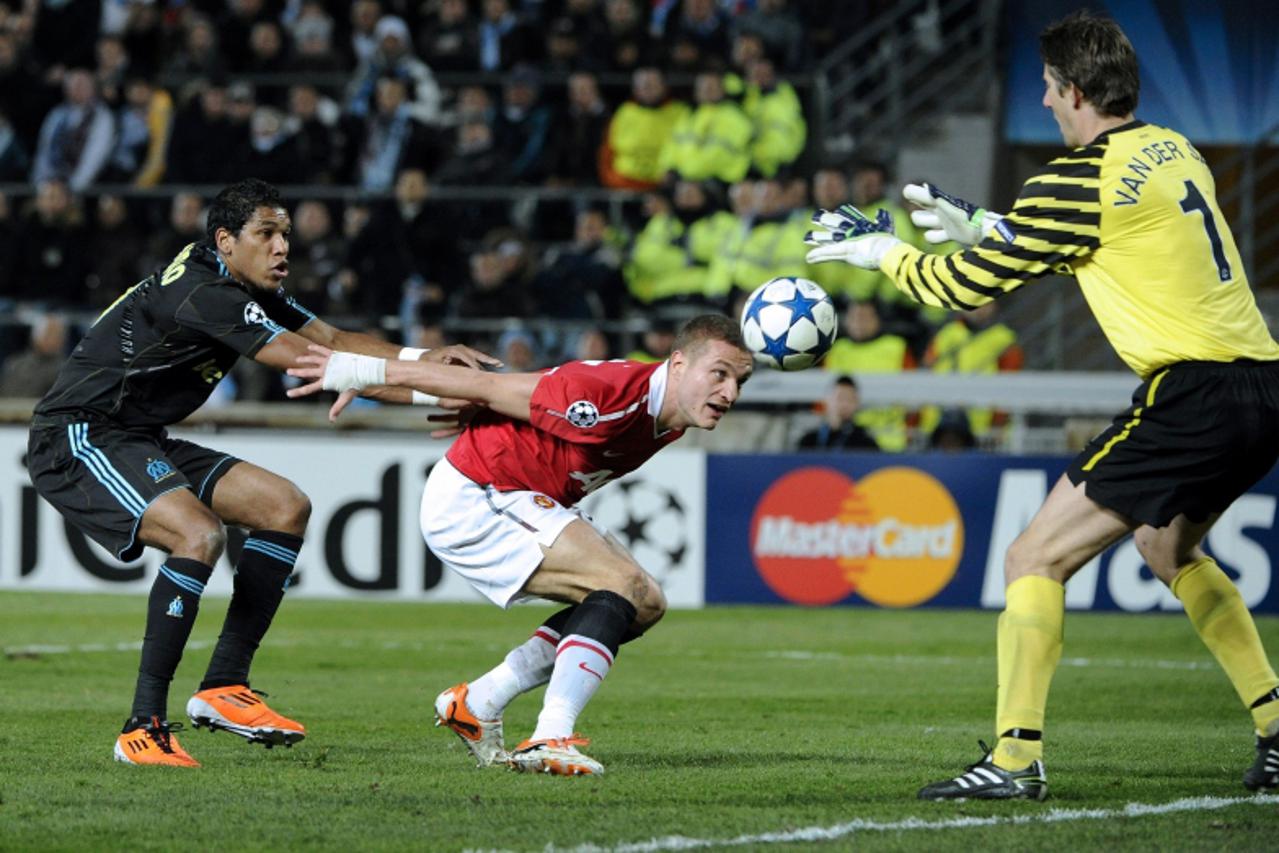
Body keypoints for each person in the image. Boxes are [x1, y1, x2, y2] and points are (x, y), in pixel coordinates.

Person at [805, 11, 1279, 800]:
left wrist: (879, 250)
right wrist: (994, 228)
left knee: (1032, 558)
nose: (1047, 101)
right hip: (1262, 384)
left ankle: (1014, 759)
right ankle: (1275, 728)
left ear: (1078, 91)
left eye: (1052, 89)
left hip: (1193, 394)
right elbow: (1121, 247)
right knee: (1166, 550)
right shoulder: (1174, 149)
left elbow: (956, 289)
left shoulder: (1076, 178)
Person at [26, 178, 496, 768]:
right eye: (267, 234)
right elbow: (314, 363)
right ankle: (141, 727)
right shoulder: (205, 295)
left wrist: (419, 359)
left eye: (286, 235)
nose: (282, 249)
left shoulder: (242, 284)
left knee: (284, 506)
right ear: (227, 240)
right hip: (78, 433)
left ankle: (224, 686)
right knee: (196, 534)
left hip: (137, 433)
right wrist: (465, 389)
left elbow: (331, 340)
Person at [286, 315, 754, 776]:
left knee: (646, 602)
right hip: (478, 492)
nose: (729, 393)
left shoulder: (672, 415)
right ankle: (551, 735)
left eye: (739, 380)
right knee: (621, 583)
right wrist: (359, 372)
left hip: (526, 496)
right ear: (677, 365)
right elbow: (482, 386)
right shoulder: (603, 396)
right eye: (718, 374)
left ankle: (478, 702)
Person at [797, 375, 878, 451]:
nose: (845, 404)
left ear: (857, 404)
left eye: (850, 399)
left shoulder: (866, 443)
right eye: (840, 398)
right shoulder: (809, 441)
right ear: (827, 400)